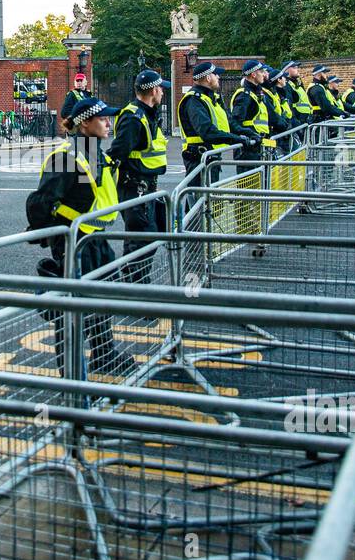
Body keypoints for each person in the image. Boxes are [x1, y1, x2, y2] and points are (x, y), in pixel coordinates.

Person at [34, 97, 129, 374]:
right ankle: (72, 375)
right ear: (85, 123)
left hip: (95, 238)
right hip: (73, 243)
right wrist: (53, 237)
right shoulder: (66, 157)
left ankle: (104, 355)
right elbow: (41, 201)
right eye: (102, 119)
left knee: (99, 300)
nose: (108, 123)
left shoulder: (96, 152)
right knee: (71, 311)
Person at [108, 70, 169, 283]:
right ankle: (134, 287)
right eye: (161, 88)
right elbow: (117, 152)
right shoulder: (134, 117)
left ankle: (135, 284)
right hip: (134, 187)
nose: (162, 92)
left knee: (147, 237)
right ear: (153, 90)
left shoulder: (148, 114)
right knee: (140, 240)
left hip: (146, 187)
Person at [177, 61, 255, 185]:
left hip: (210, 156)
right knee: (199, 199)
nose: (218, 77)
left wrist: (249, 133)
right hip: (198, 157)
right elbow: (207, 132)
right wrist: (237, 139)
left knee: (208, 199)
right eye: (215, 74)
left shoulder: (212, 99)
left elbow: (230, 123)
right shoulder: (194, 100)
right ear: (208, 77)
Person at [229, 60, 273, 157]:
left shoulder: (256, 93)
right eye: (261, 72)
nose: (264, 75)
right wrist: (249, 135)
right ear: (253, 74)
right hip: (249, 147)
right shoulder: (244, 95)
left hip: (257, 143)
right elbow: (235, 122)